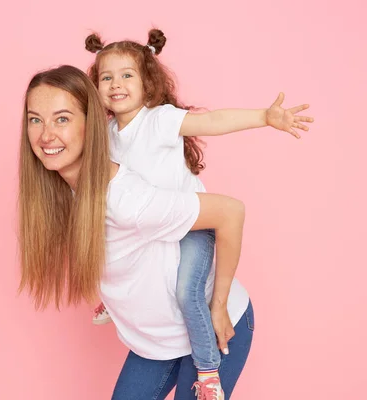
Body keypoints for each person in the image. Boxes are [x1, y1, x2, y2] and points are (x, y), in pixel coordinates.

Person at [84, 28, 313, 397]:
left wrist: (264, 117)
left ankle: (207, 370)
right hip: (157, 237)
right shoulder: (106, 133)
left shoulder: (159, 120)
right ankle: (118, 300)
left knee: (187, 289)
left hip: (193, 226)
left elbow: (213, 122)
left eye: (127, 75)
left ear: (148, 83)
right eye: (106, 76)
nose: (116, 84)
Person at [18, 65, 254, 399]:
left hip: (213, 330)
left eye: (62, 119)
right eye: (35, 119)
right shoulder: (63, 191)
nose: (45, 135)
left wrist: (217, 306)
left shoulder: (125, 199)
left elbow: (231, 212)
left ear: (93, 125)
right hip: (158, 342)